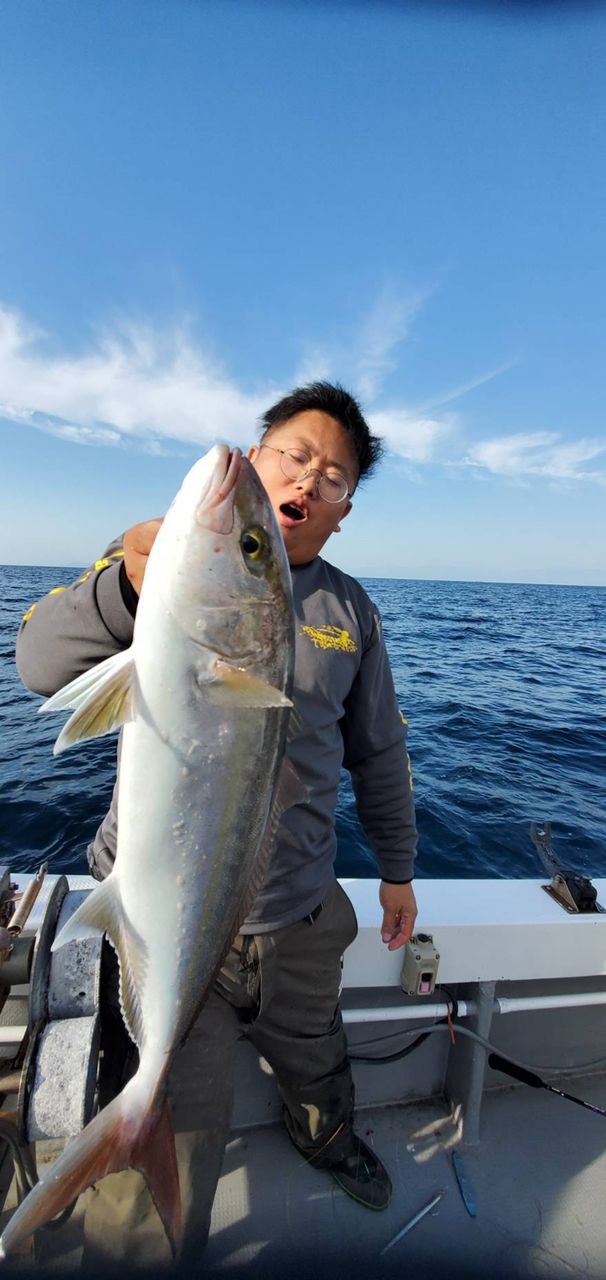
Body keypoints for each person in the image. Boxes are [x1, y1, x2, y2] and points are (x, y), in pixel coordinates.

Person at [16, 381, 418, 1267]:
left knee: (317, 1057)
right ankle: (143, 1210)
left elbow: (380, 754)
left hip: (298, 918)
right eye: (292, 453)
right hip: (162, 920)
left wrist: (398, 868)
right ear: (263, 454)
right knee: (164, 1108)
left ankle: (325, 1131)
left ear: (343, 513)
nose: (308, 479)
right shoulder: (157, 581)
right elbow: (40, 661)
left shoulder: (352, 613)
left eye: (337, 477)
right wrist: (127, 581)